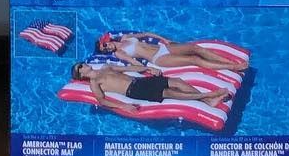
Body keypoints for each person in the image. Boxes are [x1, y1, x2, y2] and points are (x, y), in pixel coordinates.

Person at [71, 59, 231, 119]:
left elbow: (128, 68)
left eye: (82, 63)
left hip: (140, 81)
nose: (84, 64)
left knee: (178, 81)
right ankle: (210, 95)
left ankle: (208, 100)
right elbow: (101, 100)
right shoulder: (94, 83)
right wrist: (123, 106)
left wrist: (147, 69)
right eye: (81, 66)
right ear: (81, 74)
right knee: (169, 93)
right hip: (133, 91)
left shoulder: (106, 67)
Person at [94, 32, 248, 73]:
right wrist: (148, 69)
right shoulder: (119, 54)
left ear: (107, 40)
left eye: (105, 45)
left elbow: (147, 34)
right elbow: (134, 62)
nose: (107, 48)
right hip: (158, 58)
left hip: (163, 47)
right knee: (193, 59)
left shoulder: (126, 37)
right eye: (105, 50)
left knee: (195, 48)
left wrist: (164, 40)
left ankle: (230, 62)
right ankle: (232, 68)